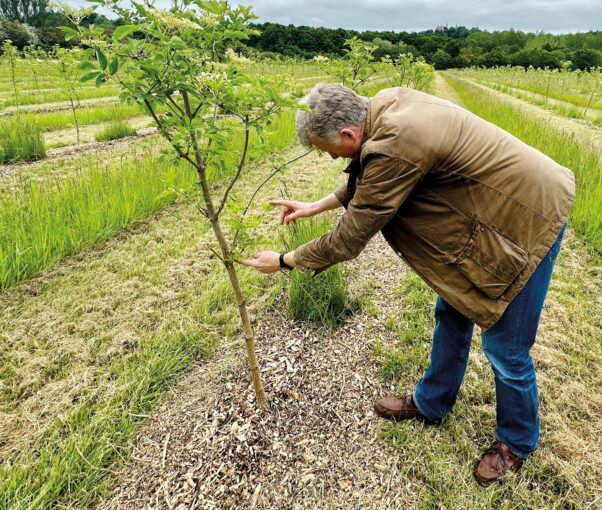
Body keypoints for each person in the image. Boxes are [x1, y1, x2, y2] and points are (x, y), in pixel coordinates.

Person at [239, 83, 574, 485]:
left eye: (327, 148)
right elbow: (368, 175)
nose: (329, 157)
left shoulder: (398, 138)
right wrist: (316, 206)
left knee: (506, 348)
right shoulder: (384, 108)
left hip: (528, 218)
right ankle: (431, 402)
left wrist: (283, 261)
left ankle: (515, 444)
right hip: (488, 213)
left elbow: (349, 237)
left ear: (348, 134)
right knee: (452, 307)